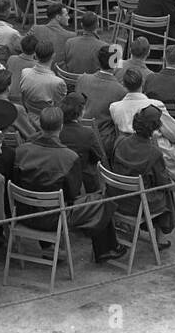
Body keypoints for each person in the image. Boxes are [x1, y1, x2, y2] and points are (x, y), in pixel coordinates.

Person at [12, 107, 124, 263]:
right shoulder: (69, 157)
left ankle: (48, 247)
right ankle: (106, 250)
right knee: (102, 201)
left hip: (24, 214)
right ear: (61, 127)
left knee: (45, 195)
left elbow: (17, 183)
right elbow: (73, 194)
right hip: (54, 219)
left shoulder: (21, 151)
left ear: (41, 125)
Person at [112, 105, 175, 246]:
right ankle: (160, 238)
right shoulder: (154, 153)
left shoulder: (120, 141)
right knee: (166, 193)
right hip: (138, 204)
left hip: (118, 198)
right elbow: (163, 183)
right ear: (156, 127)